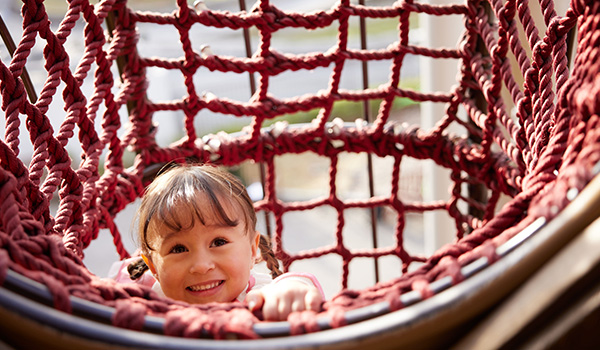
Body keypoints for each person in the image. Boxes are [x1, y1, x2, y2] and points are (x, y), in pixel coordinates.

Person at [111, 164, 323, 321]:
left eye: (219, 242)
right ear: (153, 267)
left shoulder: (257, 298)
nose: (202, 265)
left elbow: (295, 285)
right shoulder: (146, 292)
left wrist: (291, 289)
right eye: (178, 249)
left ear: (252, 250)